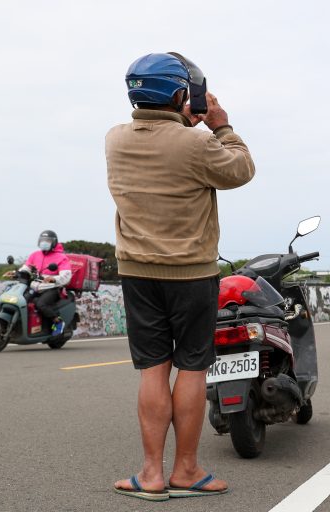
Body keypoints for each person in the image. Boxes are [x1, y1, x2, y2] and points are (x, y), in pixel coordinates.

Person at [106, 53, 255, 501]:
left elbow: (163, 138)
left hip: (136, 273)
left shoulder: (114, 139)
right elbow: (241, 168)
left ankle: (150, 474)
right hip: (191, 275)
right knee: (192, 367)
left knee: (153, 369)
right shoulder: (197, 144)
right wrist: (221, 125)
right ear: (179, 94)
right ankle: (186, 470)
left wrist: (185, 122)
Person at [18, 230, 71, 335]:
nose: (44, 242)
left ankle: (58, 321)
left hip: (52, 288)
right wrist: (18, 272)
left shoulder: (61, 257)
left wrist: (54, 279)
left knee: (41, 304)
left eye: (47, 240)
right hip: (36, 286)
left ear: (54, 242)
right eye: (42, 240)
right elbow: (27, 267)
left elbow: (66, 276)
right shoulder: (35, 255)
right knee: (22, 301)